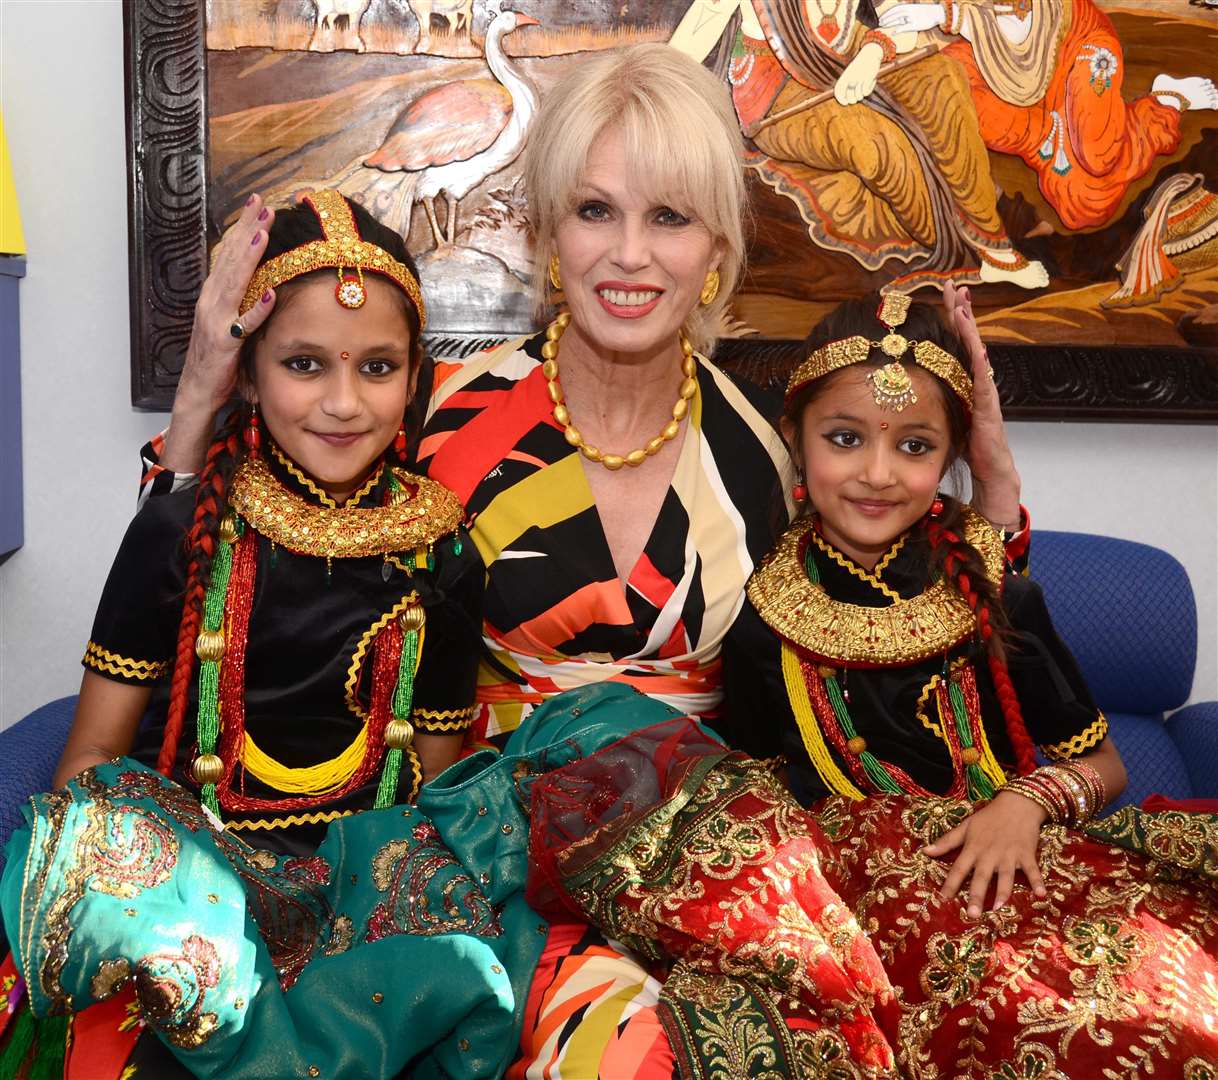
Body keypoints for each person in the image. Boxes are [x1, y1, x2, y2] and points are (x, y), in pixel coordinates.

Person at [118, 42, 1026, 1077]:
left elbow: (914, 645)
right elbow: (213, 588)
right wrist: (198, 396)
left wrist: (991, 490)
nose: (629, 256)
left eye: (669, 218)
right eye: (597, 211)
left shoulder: (769, 459)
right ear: (549, 230)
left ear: (718, 247)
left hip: (703, 872)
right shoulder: (436, 418)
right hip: (484, 861)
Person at [0, 190, 492, 1077]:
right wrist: (149, 880)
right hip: (200, 886)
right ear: (251, 371)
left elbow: (445, 792)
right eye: (306, 363)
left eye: (377, 368)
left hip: (370, 896)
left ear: (417, 377)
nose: (344, 402)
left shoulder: (445, 554)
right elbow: (92, 759)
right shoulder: (184, 530)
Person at [718, 292, 1218, 1075]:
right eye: (844, 439)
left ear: (950, 455)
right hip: (859, 909)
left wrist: (1025, 801)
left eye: (915, 446)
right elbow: (759, 796)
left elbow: (1107, 765)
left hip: (1016, 869)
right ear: (795, 437)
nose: (878, 475)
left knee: (1159, 1020)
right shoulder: (759, 620)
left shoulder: (996, 593)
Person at [669, 0, 1051, 291]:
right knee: (874, 141)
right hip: (776, 91)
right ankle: (956, 249)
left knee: (942, 77)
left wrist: (871, 53)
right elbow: (693, 37)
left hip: (851, 53)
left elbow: (898, 19)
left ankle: (991, 241)